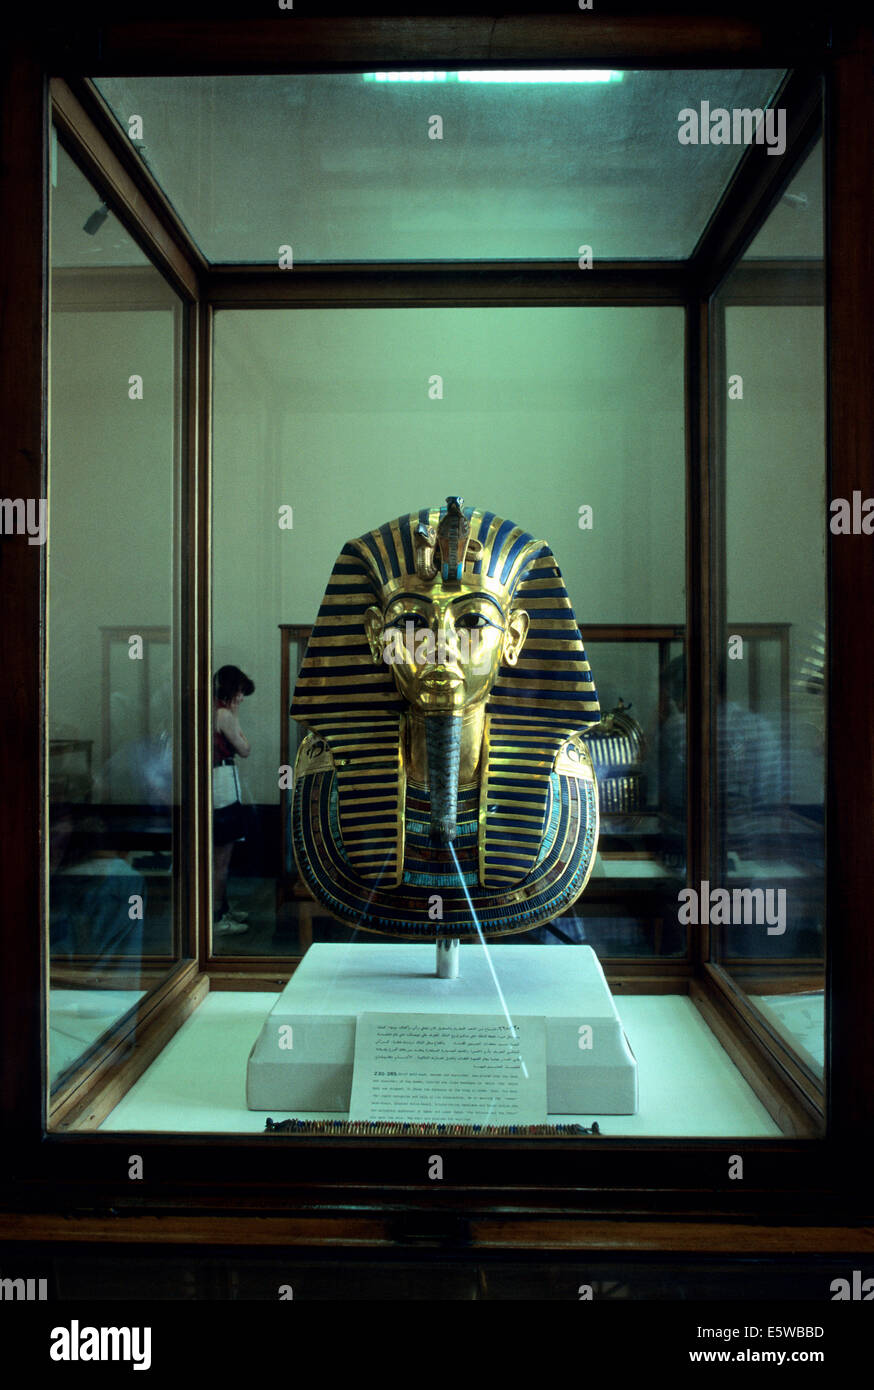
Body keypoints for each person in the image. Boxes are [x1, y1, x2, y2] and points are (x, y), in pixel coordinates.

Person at [213, 665, 255, 935]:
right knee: (221, 857)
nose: (241, 698)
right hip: (221, 785)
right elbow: (245, 749)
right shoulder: (224, 715)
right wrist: (236, 716)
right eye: (239, 692)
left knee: (221, 854)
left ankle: (222, 907)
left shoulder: (216, 711)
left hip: (221, 782)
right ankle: (216, 917)